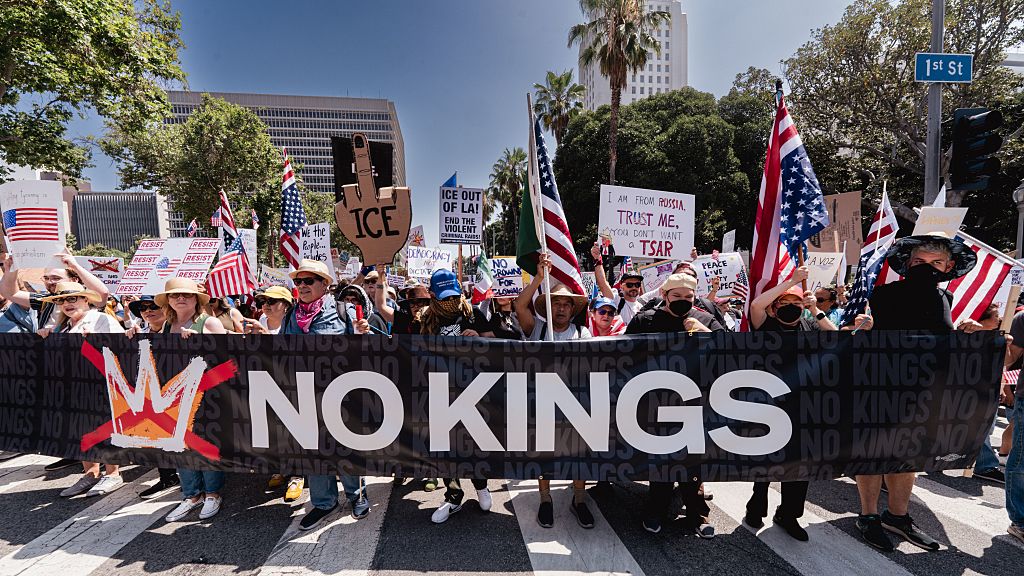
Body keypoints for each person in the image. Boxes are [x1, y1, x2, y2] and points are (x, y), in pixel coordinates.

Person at [855, 232, 977, 552]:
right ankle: (868, 516)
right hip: (879, 387)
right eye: (920, 262)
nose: (927, 268)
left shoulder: (944, 300)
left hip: (920, 393)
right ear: (907, 264)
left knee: (907, 457)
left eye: (936, 262)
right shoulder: (881, 295)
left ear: (949, 266)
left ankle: (897, 516)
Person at [744, 266, 847, 541]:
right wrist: (791, 282)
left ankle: (789, 515)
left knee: (800, 465)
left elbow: (836, 336)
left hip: (803, 405)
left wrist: (814, 310)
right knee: (766, 459)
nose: (790, 308)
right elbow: (756, 304)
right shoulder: (765, 326)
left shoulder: (810, 325)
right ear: (775, 308)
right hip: (769, 404)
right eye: (784, 304)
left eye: (796, 304)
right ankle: (757, 504)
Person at [625, 273, 719, 537]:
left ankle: (698, 515)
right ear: (664, 296)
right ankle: (655, 510)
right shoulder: (646, 320)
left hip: (696, 401)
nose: (683, 301)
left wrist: (705, 333)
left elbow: (730, 350)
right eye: (676, 297)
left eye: (688, 297)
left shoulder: (705, 319)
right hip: (656, 401)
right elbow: (623, 351)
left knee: (694, 462)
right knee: (662, 460)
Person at [281, 260, 372, 531]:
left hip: (339, 394)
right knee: (313, 450)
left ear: (325, 284)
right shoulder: (290, 316)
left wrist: (361, 335)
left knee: (345, 445)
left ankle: (356, 495)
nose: (302, 286)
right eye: (298, 282)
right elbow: (281, 352)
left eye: (308, 281)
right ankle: (323, 502)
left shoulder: (344, 312)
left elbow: (361, 353)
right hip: (304, 395)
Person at [512, 253, 596, 529]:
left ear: (572, 310)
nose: (560, 308)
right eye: (556, 303)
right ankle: (545, 499)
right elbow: (520, 306)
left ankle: (579, 500)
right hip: (543, 404)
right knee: (544, 454)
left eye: (565, 305)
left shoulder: (583, 334)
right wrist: (539, 278)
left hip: (576, 405)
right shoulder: (537, 328)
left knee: (579, 455)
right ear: (548, 308)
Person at [35, 282, 126, 497]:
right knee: (81, 430)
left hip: (99, 385)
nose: (66, 304)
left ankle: (112, 474)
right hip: (73, 387)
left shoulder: (101, 319)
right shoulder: (61, 326)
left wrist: (97, 341)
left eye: (72, 298)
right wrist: (45, 337)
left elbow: (123, 347)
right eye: (61, 300)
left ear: (86, 299)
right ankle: (91, 473)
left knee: (102, 429)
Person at [420, 268, 496, 523]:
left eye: (454, 296)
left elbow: (497, 345)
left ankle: (481, 485)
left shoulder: (472, 313)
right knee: (445, 447)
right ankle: (453, 497)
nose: (451, 302)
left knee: (474, 443)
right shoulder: (427, 319)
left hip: (473, 391)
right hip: (441, 391)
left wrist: (479, 339)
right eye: (444, 297)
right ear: (432, 295)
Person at [155, 278, 229, 522]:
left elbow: (227, 358)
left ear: (196, 299)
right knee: (181, 445)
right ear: (168, 301)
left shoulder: (209, 322)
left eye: (186, 295)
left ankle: (212, 494)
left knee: (205, 445)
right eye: (175, 295)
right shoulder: (167, 325)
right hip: (174, 396)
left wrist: (201, 343)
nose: (180, 299)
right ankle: (190, 495)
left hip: (206, 395)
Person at [123, 295, 183, 500]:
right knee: (155, 436)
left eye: (153, 306)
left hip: (176, 390)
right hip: (151, 392)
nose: (148, 310)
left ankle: (190, 479)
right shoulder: (140, 332)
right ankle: (167, 476)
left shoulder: (176, 328)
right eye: (142, 308)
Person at [958, 304, 1008, 484]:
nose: (999, 318)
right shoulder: (967, 338)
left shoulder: (999, 339)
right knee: (982, 427)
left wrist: (1001, 386)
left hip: (989, 389)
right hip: (971, 390)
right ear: (983, 319)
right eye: (995, 315)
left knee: (987, 427)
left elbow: (1003, 364)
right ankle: (986, 465)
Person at [591, 244, 642, 325]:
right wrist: (597, 260)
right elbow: (603, 284)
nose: (634, 287)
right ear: (622, 286)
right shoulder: (616, 301)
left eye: (637, 284)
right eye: (629, 285)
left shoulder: (642, 306)